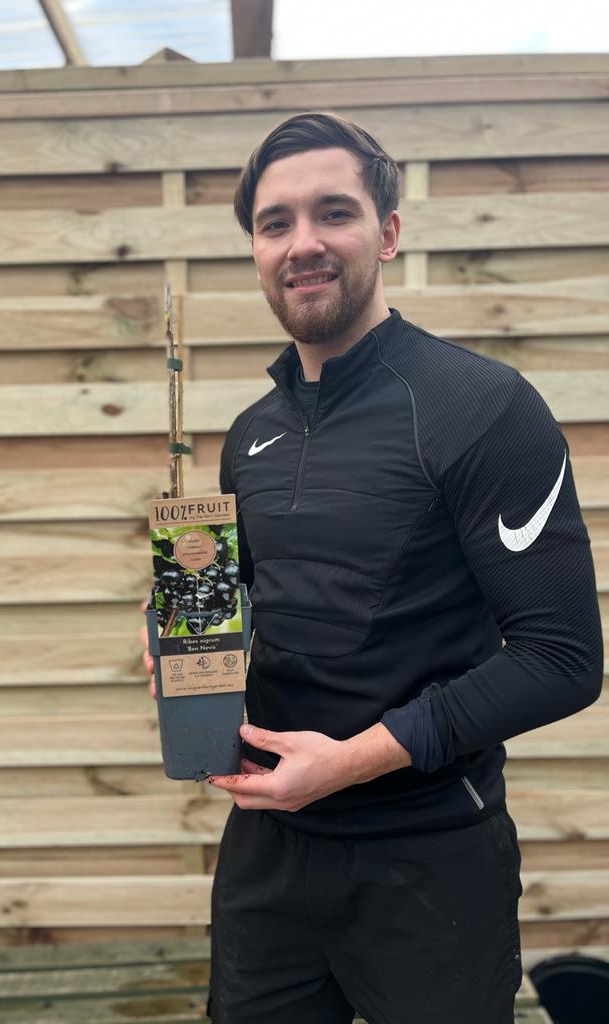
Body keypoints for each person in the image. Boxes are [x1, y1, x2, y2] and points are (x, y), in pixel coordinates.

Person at [144, 112, 603, 1024]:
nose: (302, 243)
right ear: (255, 249)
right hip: (269, 855)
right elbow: (260, 602)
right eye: (276, 223)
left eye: (333, 213)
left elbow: (562, 657)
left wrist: (354, 761)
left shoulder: (483, 408)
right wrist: (180, 647)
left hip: (431, 860)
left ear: (387, 233)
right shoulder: (249, 437)